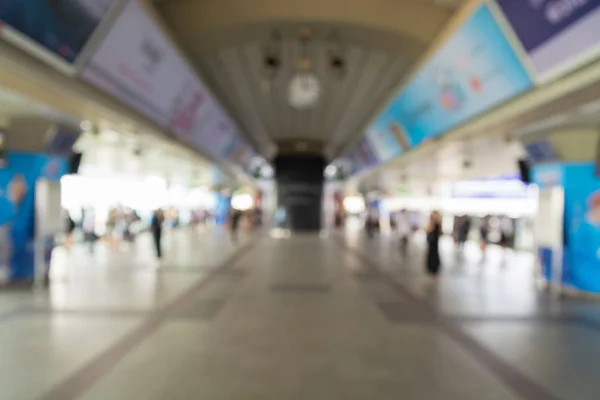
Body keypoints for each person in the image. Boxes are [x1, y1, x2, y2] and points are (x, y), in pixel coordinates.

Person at [425, 211, 442, 277]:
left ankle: (434, 268)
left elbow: (439, 233)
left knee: (434, 254)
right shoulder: (432, 223)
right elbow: (428, 231)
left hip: (435, 243)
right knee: (431, 254)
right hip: (431, 242)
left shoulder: (437, 224)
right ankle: (431, 268)